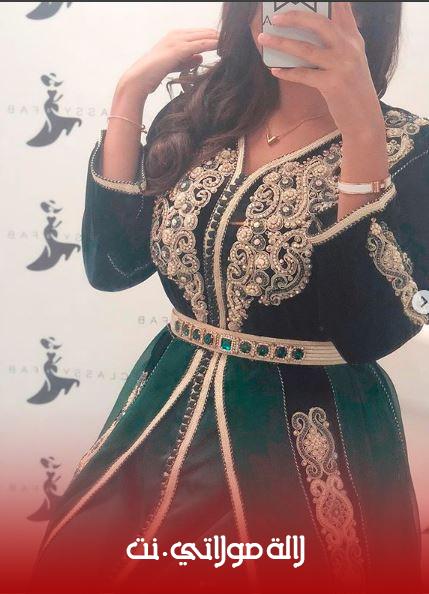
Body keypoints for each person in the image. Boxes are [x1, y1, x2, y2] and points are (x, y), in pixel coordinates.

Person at [27, 2, 429, 593]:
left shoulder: (413, 149)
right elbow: (113, 266)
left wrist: (362, 128)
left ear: (366, 16)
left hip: (310, 431)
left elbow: (366, 332)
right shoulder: (204, 115)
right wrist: (129, 95)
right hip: (164, 407)